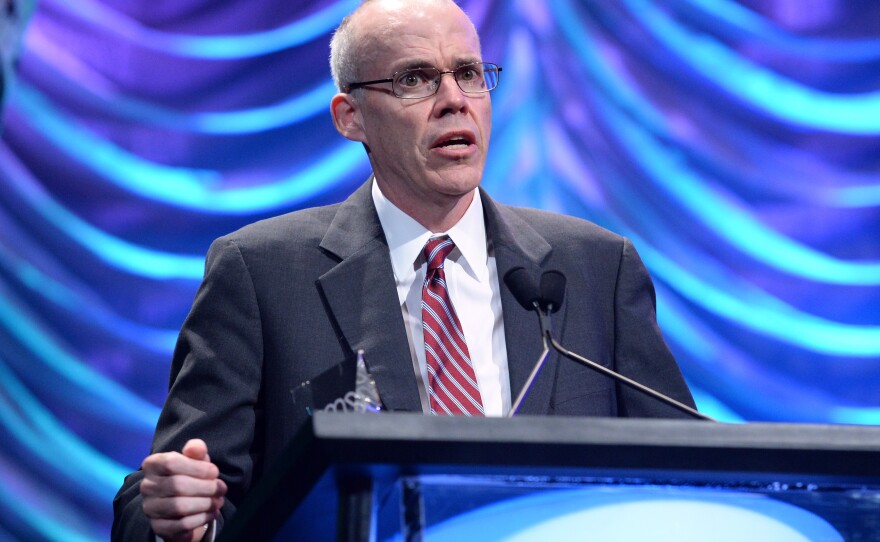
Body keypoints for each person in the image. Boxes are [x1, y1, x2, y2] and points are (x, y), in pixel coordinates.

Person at [112, 0, 697, 540]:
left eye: (469, 73)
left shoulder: (593, 268)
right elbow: (160, 497)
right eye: (414, 79)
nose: (454, 99)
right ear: (350, 117)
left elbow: (691, 471)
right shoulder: (261, 274)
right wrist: (178, 518)